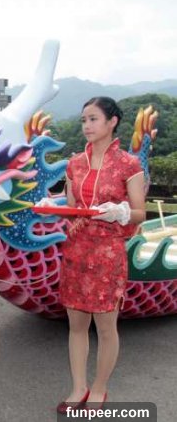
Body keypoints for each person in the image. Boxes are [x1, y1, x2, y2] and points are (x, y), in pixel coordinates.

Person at [45, 97, 145, 413]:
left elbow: (140, 212)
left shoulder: (129, 164)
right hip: (76, 250)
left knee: (105, 326)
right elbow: (73, 208)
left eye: (93, 119)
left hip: (108, 254)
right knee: (76, 325)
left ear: (112, 121)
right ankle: (78, 388)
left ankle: (100, 388)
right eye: (83, 120)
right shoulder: (74, 163)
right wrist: (53, 208)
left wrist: (121, 212)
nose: (87, 126)